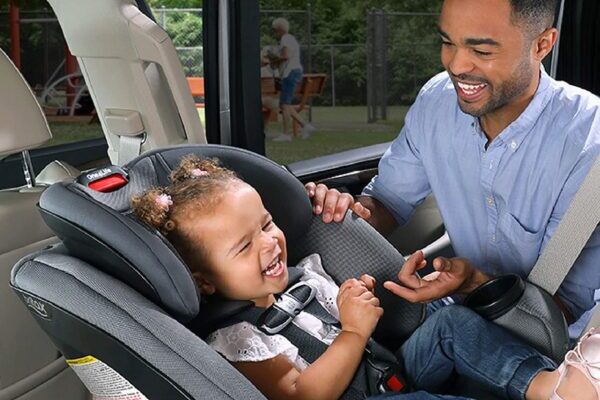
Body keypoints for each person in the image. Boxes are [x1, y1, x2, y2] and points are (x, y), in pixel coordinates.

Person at [131, 155, 598, 400]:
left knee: (452, 326)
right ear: (204, 280)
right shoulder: (236, 340)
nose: (270, 243)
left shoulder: (305, 276)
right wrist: (354, 331)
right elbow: (302, 395)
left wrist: (360, 297)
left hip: (390, 369)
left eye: (267, 225)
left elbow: (357, 319)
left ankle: (548, 388)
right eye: (243, 246)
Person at [306, 0, 600, 331]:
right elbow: (388, 201)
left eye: (482, 51)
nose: (456, 65)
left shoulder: (590, 144)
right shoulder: (437, 100)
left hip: (556, 348)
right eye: (448, 42)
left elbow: (563, 314)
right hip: (458, 312)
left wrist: (472, 283)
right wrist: (349, 213)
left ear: (542, 45)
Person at [268, 17, 316, 142]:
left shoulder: (285, 39)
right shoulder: (291, 39)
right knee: (286, 105)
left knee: (285, 105)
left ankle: (286, 134)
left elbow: (285, 56)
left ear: (279, 29)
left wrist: (273, 58)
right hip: (294, 71)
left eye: (275, 31)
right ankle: (305, 126)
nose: (275, 34)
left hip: (290, 73)